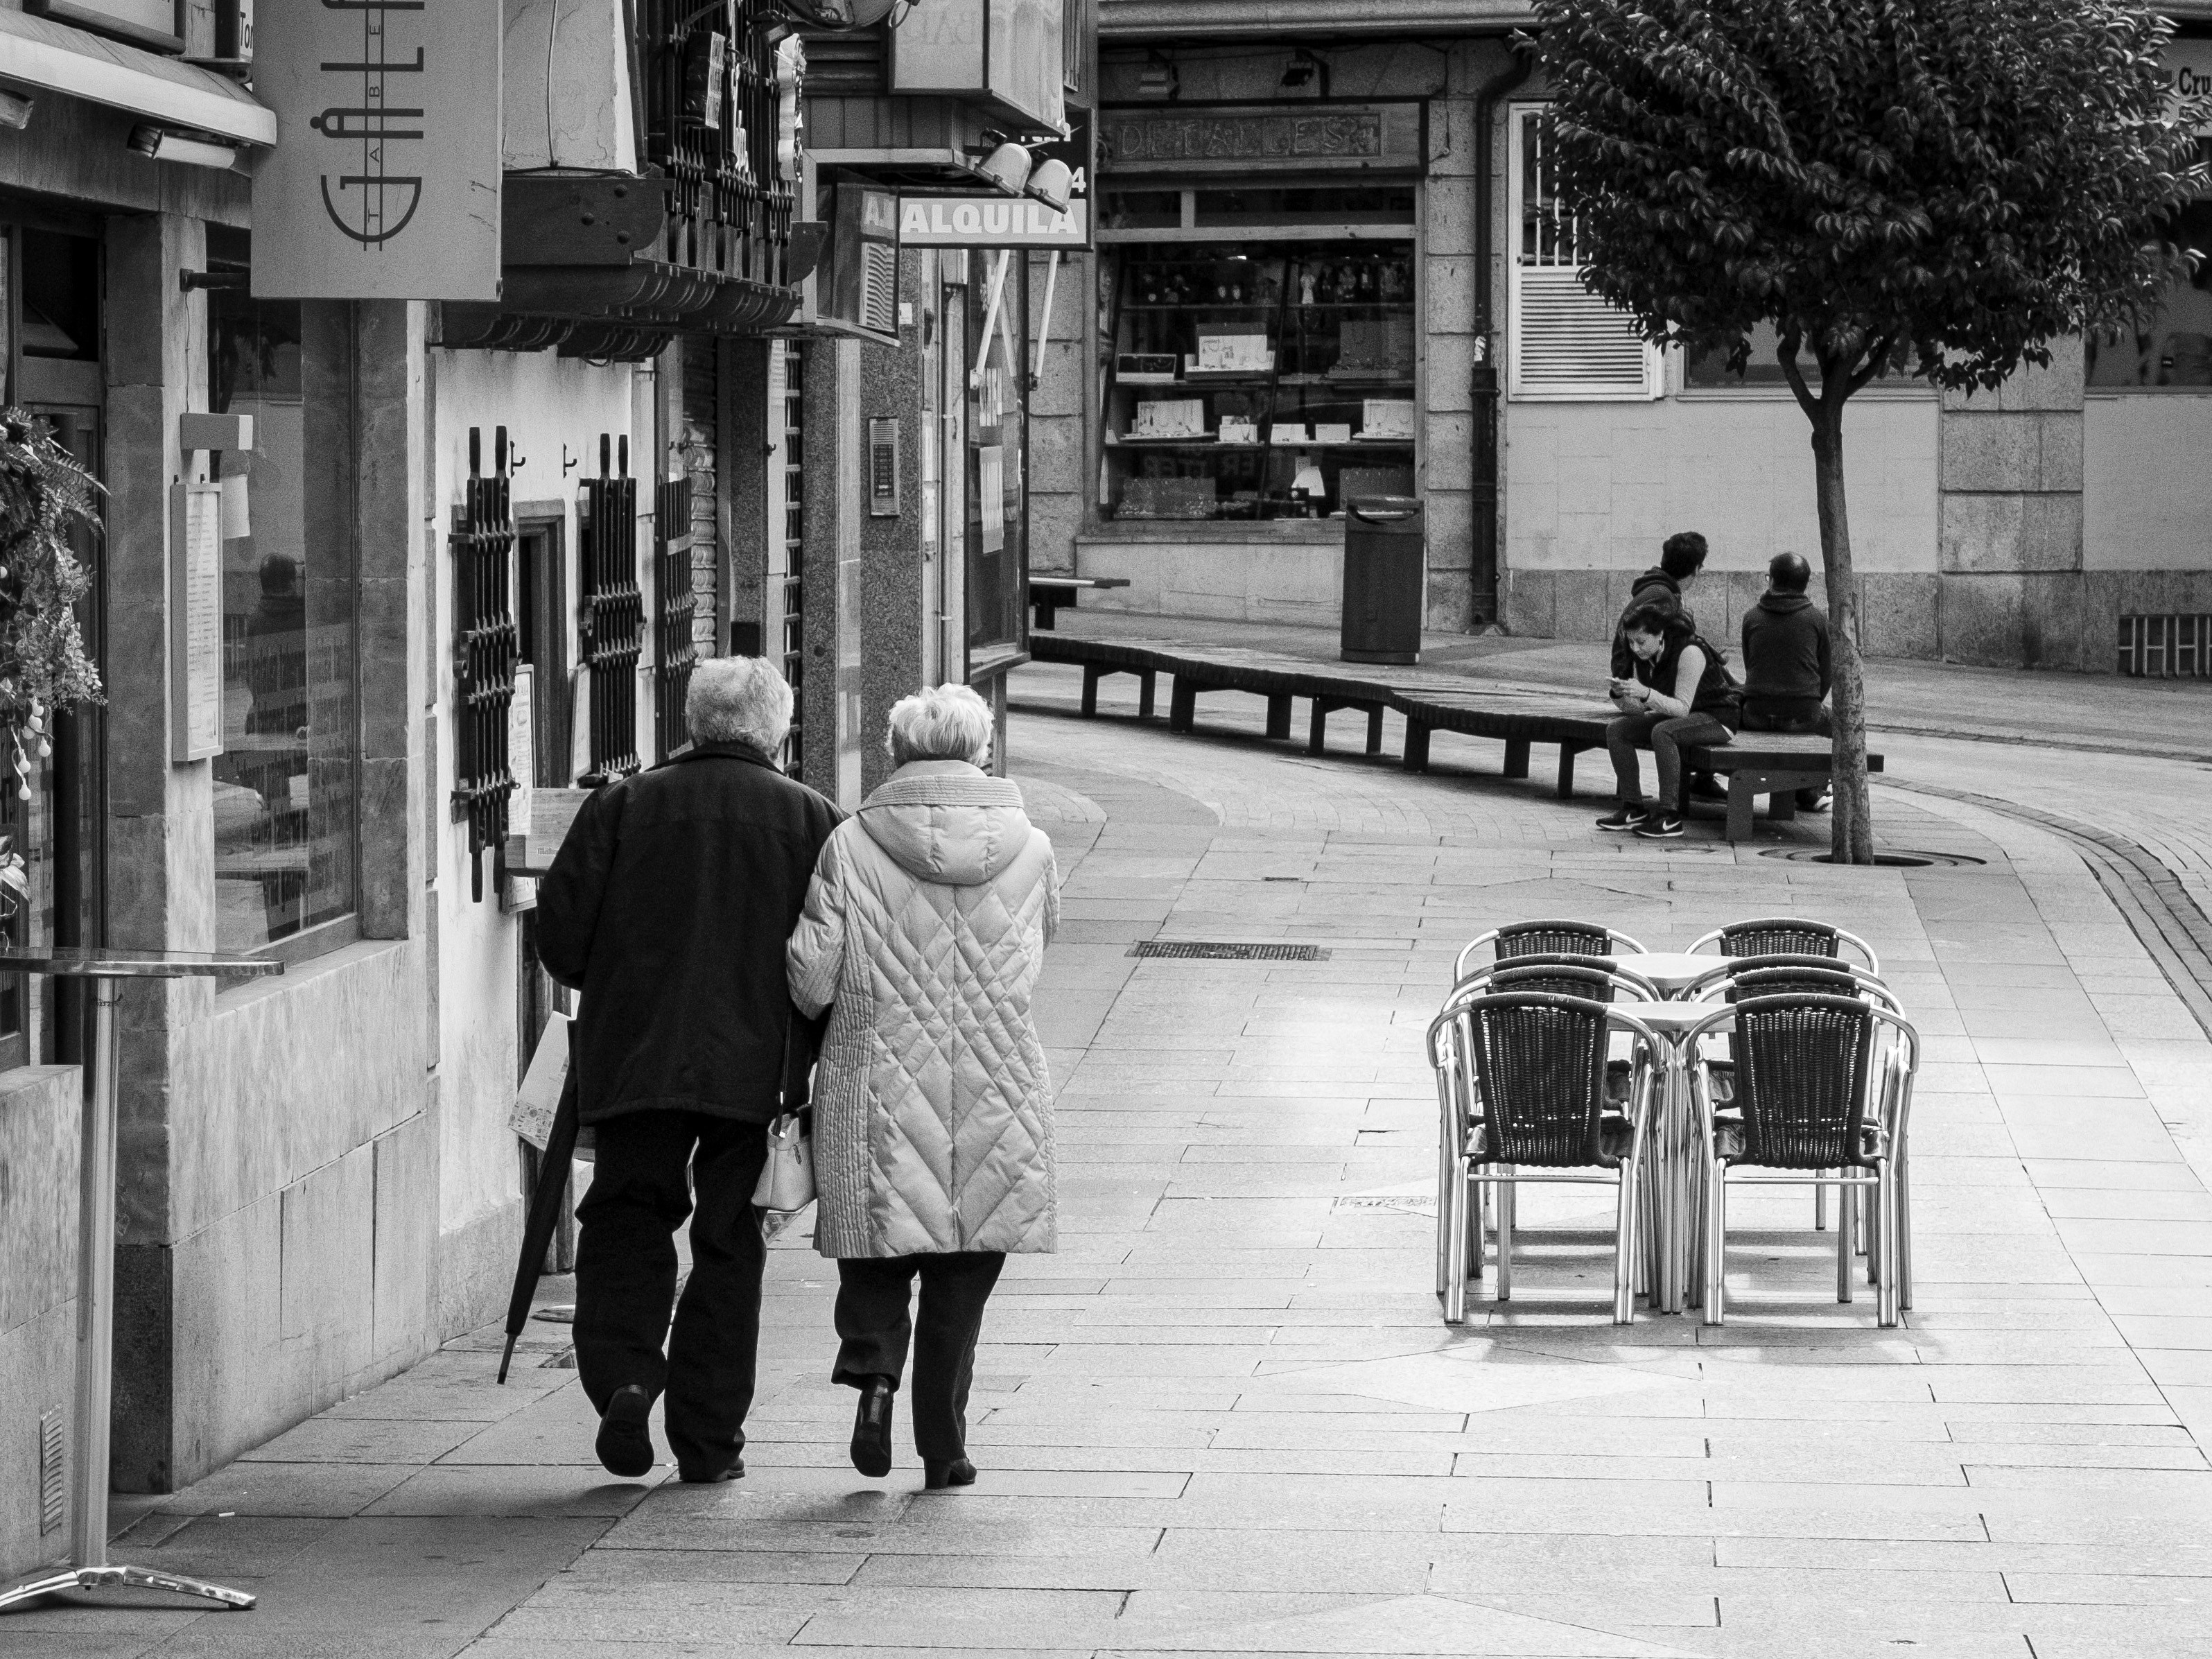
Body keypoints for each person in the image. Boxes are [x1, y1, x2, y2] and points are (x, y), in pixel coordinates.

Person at [537, 657, 840, 1484]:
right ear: (776, 728)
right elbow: (830, 961)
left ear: (693, 719)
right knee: (729, 1240)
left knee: (628, 1217)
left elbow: (560, 942)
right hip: (756, 1073)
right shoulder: (814, 820)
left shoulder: (625, 804)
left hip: (635, 1060)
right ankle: (709, 1438)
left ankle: (626, 1376)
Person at [787, 684, 1060, 1491]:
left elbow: (810, 976)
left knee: (877, 1246)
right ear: (981, 750)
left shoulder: (849, 843)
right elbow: (1034, 957)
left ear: (898, 753)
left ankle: (873, 1380)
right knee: (965, 1264)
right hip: (997, 1079)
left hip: (872, 1074)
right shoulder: (1033, 846)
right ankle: (944, 1444)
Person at [1596, 601, 1743, 840]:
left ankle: (1669, 816)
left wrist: (1645, 693)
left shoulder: (1690, 651)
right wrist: (1620, 695)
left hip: (1717, 718)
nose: (1636, 648)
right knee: (1618, 729)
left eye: (1641, 642)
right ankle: (1633, 807)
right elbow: (1639, 710)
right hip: (1679, 717)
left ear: (1660, 634)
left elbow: (1682, 708)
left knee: (1663, 732)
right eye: (1631, 642)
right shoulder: (1644, 656)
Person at [1610, 532, 1723, 801]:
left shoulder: (1658, 588)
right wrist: (1627, 685)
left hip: (1644, 684)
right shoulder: (1663, 595)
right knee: (1666, 726)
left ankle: (1699, 779)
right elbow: (1643, 646)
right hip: (1640, 683)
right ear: (1696, 570)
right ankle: (1654, 807)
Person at [1739, 551, 1834, 812]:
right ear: (1807, 583)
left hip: (1755, 714)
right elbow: (1826, 672)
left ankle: (1805, 790)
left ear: (1771, 581)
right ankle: (1809, 789)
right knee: (1839, 727)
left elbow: (1751, 665)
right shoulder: (1816, 619)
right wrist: (1809, 699)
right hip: (1802, 715)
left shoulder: (1752, 617)